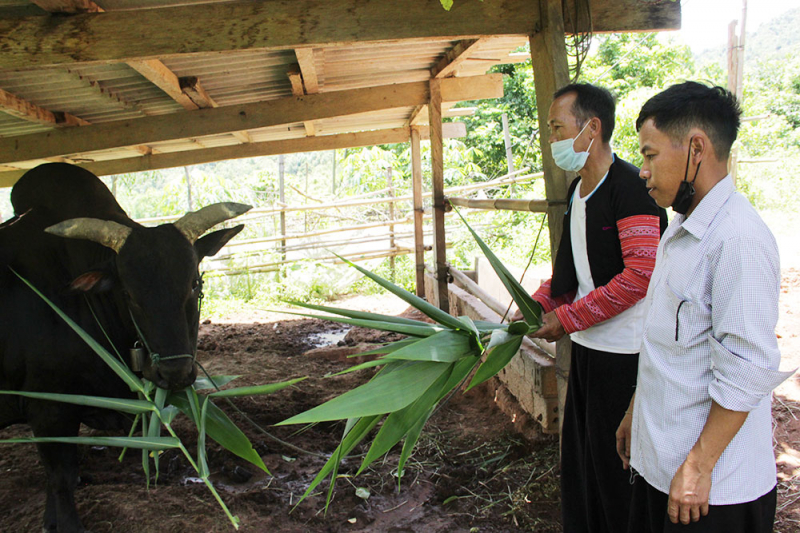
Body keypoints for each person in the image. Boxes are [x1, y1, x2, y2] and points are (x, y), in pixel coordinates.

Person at [615, 81, 795, 532]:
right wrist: (638, 411)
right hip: (664, 467)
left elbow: (748, 366)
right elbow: (668, 340)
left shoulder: (737, 239)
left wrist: (698, 466)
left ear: (696, 148)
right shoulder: (681, 227)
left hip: (711, 493)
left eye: (651, 155)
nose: (642, 170)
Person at [513, 83, 667, 532]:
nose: (551, 138)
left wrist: (569, 317)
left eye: (557, 127)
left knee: (618, 469)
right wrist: (536, 305)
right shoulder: (579, 193)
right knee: (585, 462)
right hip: (587, 351)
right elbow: (569, 278)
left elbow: (640, 275)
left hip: (626, 356)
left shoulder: (630, 190)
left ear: (591, 128)